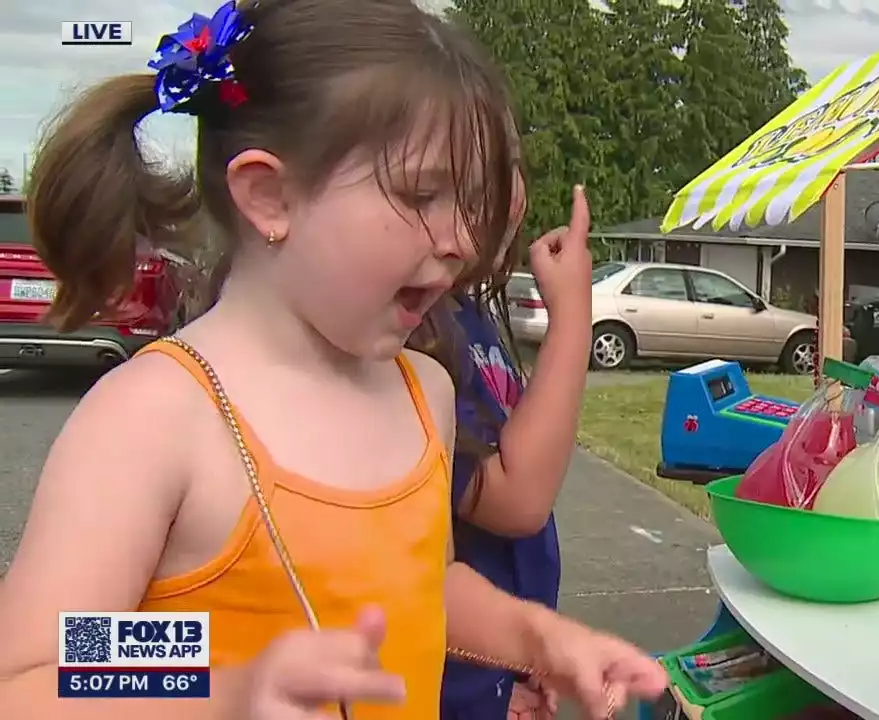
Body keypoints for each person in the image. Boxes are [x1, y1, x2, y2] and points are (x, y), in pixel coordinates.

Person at [0, 2, 666, 719]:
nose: (460, 239)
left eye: (471, 202)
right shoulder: (154, 417)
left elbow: (416, 587)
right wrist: (231, 689)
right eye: (422, 194)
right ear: (269, 196)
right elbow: (45, 669)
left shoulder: (425, 393)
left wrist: (537, 636)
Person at [417, 159, 592, 717]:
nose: (514, 196)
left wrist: (526, 652)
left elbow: (438, 574)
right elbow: (151, 674)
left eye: (513, 162)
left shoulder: (455, 317)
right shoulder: (413, 342)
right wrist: (572, 316)